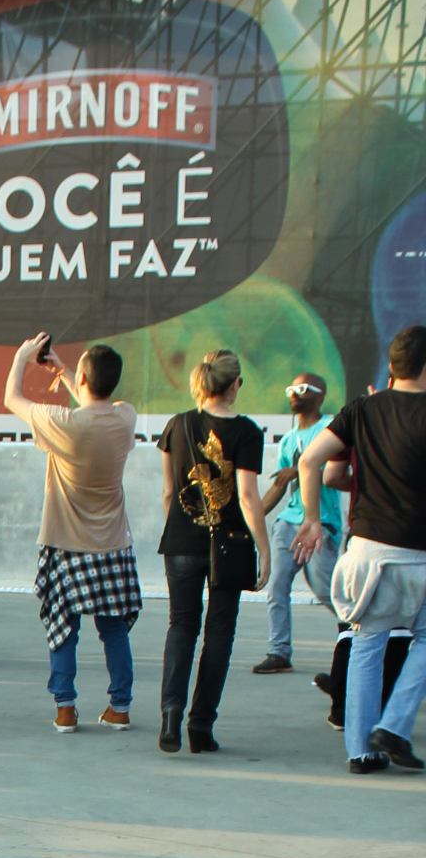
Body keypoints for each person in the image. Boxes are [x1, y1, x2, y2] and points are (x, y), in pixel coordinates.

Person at [296, 323, 426, 775]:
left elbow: (313, 463)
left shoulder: (362, 409)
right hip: (418, 555)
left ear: (392, 367)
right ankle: (393, 725)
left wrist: (312, 519)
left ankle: (361, 752)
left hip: (365, 553)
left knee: (366, 645)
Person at [4, 333, 141, 732]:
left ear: (83, 378)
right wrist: (65, 371)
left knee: (63, 626)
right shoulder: (125, 417)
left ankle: (65, 708)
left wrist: (21, 357)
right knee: (113, 629)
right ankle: (120, 706)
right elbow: (93, 404)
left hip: (66, 543)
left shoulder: (64, 424)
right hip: (113, 542)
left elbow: (13, 399)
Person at [156, 348, 269, 753]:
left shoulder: (177, 425)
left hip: (182, 543)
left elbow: (170, 492)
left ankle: (170, 712)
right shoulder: (248, 432)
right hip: (230, 546)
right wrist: (264, 547)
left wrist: (183, 528)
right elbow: (248, 496)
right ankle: (200, 726)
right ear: (234, 384)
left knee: (181, 626)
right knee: (219, 632)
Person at [253, 371, 341, 673]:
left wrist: (298, 468)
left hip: (319, 523)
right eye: (291, 388)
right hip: (288, 524)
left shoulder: (329, 428)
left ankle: (360, 632)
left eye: (302, 389)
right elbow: (279, 485)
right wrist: (249, 519)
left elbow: (332, 471)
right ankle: (279, 652)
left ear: (320, 395)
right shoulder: (289, 439)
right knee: (276, 585)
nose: (294, 393)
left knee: (326, 589)